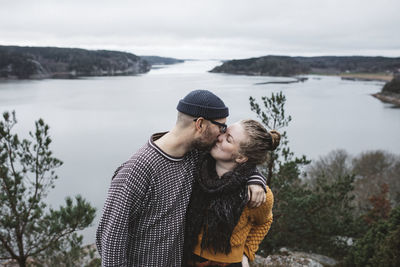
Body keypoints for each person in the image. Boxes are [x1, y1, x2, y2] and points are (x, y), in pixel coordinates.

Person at [96, 90, 268, 266]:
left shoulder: (195, 157)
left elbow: (237, 161)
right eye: (221, 127)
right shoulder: (136, 171)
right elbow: (111, 243)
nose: (221, 135)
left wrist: (256, 179)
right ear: (200, 124)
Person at [184, 119, 281, 267]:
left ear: (241, 157)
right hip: (188, 257)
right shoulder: (197, 170)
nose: (219, 137)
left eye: (228, 139)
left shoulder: (255, 194)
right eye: (224, 132)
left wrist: (246, 252)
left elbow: (264, 222)